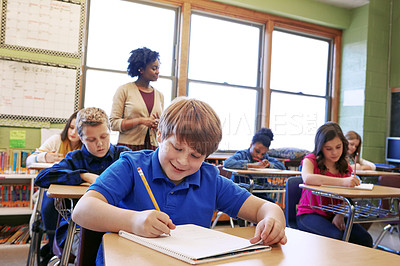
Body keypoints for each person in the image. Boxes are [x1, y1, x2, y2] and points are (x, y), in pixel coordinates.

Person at [72, 97, 287, 265]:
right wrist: (134, 221)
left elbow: (265, 208)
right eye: (177, 148)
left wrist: (273, 221)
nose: (183, 161)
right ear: (160, 136)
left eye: (196, 156)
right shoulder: (131, 166)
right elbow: (83, 210)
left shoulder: (209, 178)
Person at [34, 107, 131, 260]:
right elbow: (42, 178)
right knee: (94, 251)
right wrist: (83, 175)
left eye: (104, 136)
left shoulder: (123, 155)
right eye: (91, 140)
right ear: (80, 137)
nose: (100, 144)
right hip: (80, 229)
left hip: (119, 226)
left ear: (109, 131)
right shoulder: (75, 158)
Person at [296, 122, 373, 247]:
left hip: (334, 214)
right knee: (336, 236)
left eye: (338, 147)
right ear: (320, 147)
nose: (335, 152)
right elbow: (308, 178)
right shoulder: (310, 160)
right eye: (328, 148)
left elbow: (349, 194)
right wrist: (343, 182)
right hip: (309, 214)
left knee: (365, 239)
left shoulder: (345, 166)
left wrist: (340, 214)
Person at [27, 111, 82, 264]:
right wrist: (45, 157)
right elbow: (29, 160)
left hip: (75, 193)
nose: (73, 132)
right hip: (53, 191)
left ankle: (64, 247)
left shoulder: (86, 145)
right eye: (71, 127)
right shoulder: (56, 140)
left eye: (77, 129)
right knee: (50, 205)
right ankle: (53, 245)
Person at [110, 47, 164, 151]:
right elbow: (113, 124)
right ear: (141, 69)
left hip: (152, 149)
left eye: (158, 68)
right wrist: (141, 121)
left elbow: (162, 126)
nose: (157, 72)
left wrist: (158, 124)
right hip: (128, 148)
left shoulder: (159, 95)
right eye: (154, 68)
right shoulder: (124, 90)